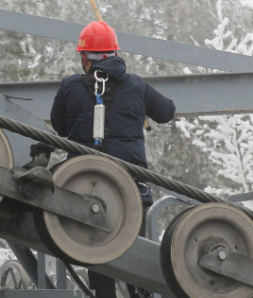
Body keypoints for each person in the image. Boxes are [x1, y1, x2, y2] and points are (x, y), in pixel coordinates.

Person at [50, 21, 176, 298]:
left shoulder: (70, 86)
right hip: (129, 188)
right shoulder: (136, 86)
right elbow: (167, 112)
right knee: (135, 256)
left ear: (85, 57)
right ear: (115, 54)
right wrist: (138, 107)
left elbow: (60, 128)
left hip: (84, 187)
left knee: (98, 253)